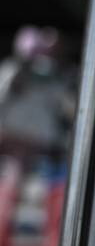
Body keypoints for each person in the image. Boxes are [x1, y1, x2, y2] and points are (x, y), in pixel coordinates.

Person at [0, 26, 76, 171]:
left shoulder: (61, 77)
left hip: (39, 147)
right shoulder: (10, 71)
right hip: (11, 139)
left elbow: (68, 109)